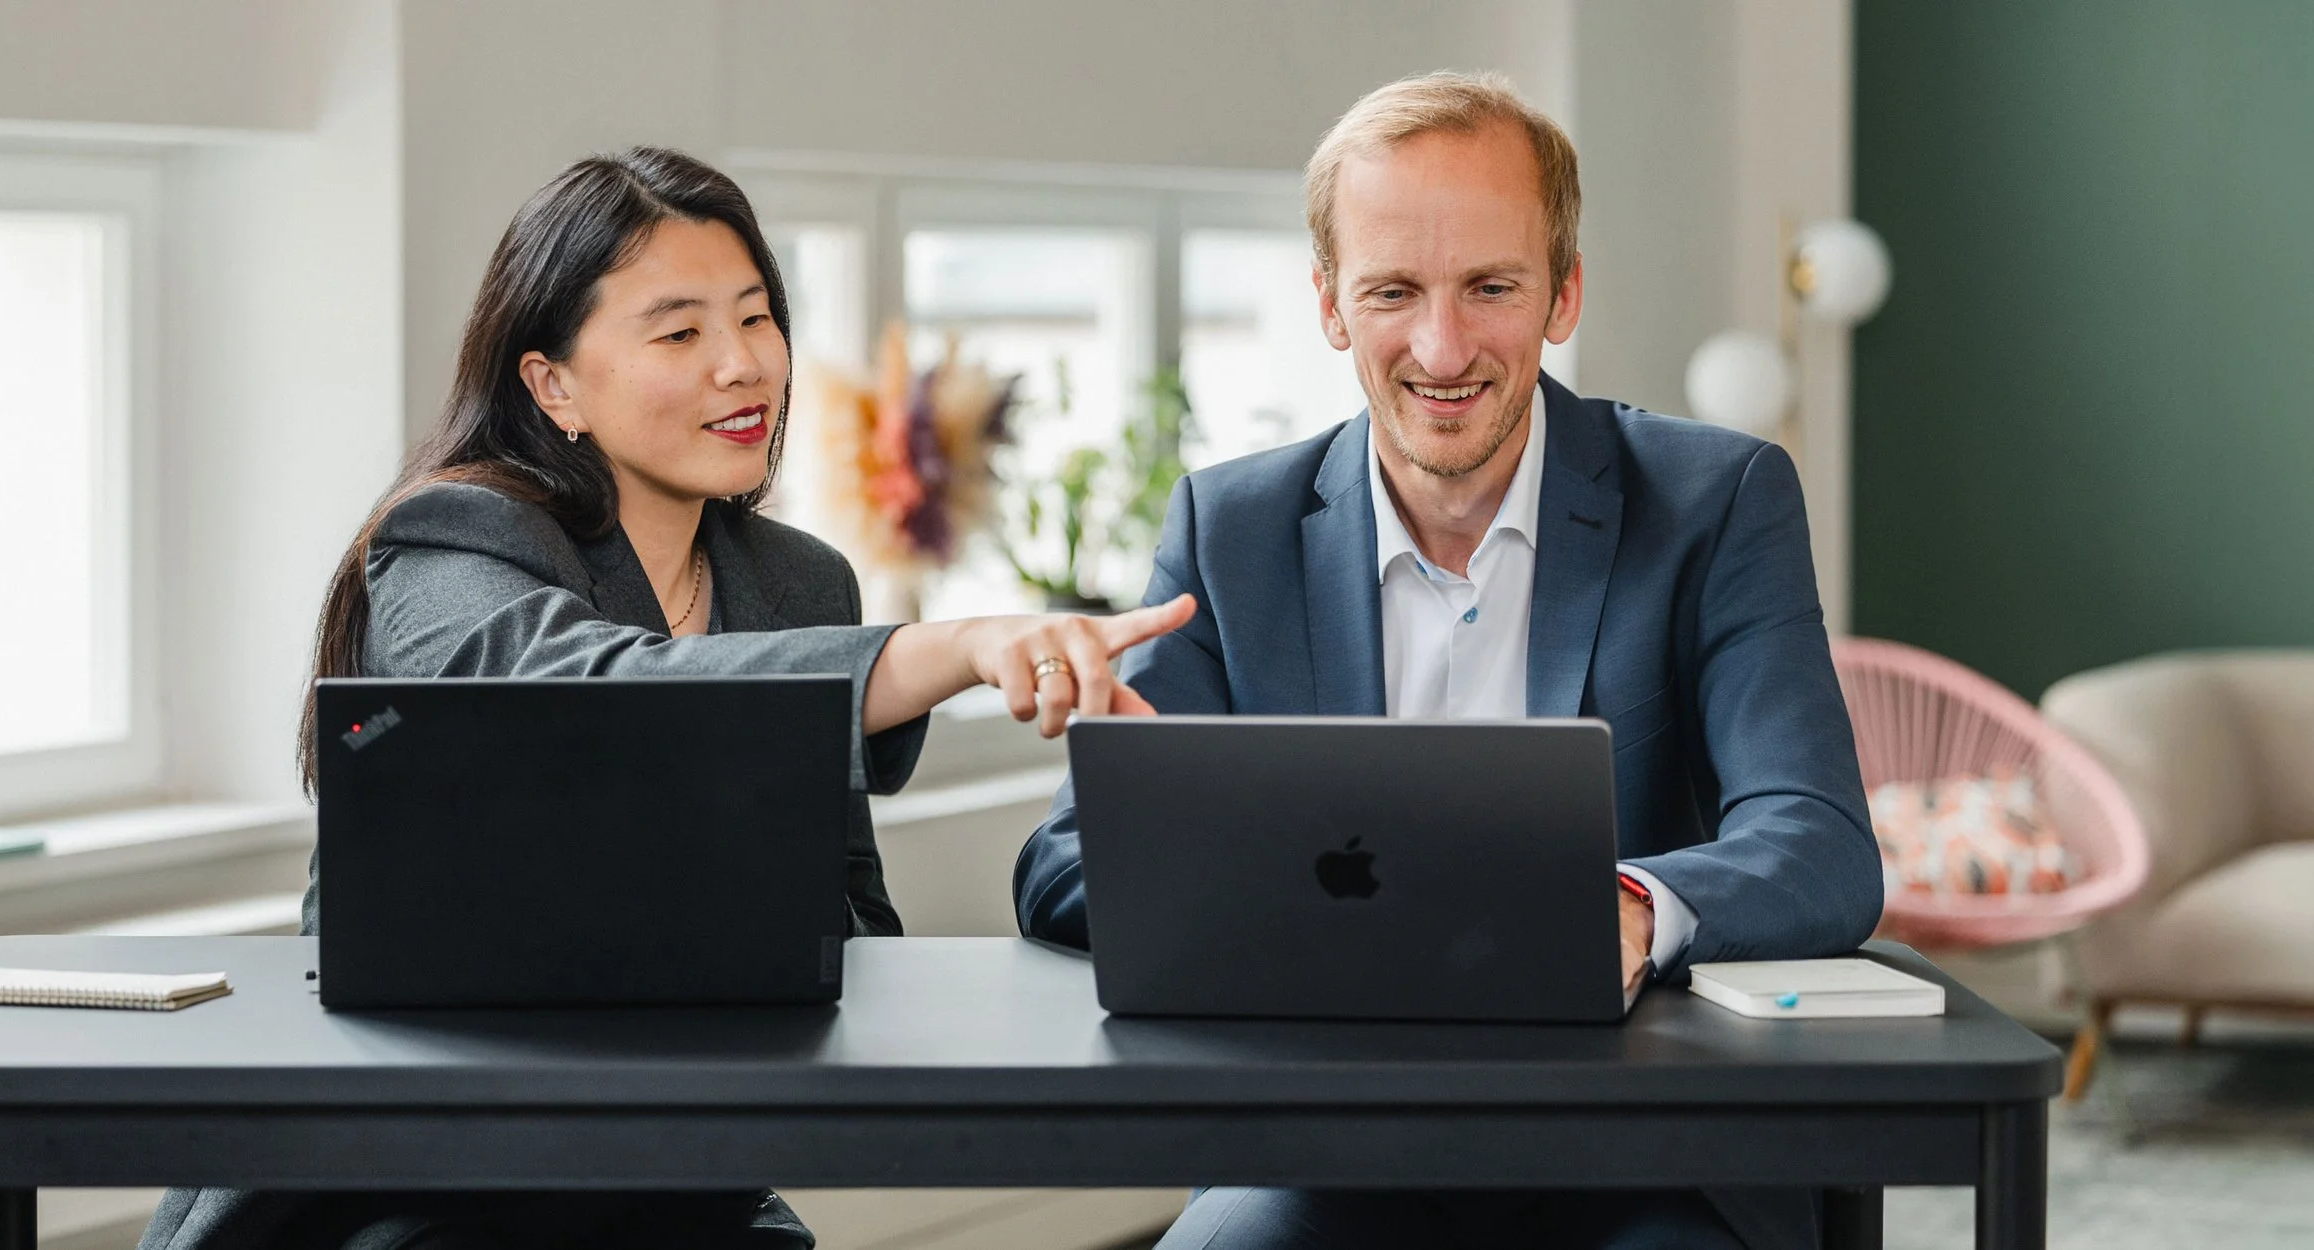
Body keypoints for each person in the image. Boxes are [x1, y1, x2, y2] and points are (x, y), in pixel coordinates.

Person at [140, 146, 1191, 1250]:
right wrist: (960, 643)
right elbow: (594, 699)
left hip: (669, 1174)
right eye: (680, 332)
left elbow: (852, 922)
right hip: (404, 1181)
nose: (742, 365)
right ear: (552, 385)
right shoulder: (452, 537)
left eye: (755, 317)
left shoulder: (797, 583)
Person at [1011, 72, 1880, 1250]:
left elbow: (1817, 843)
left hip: (1647, 1151)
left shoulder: (1716, 499)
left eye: (1490, 287)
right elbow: (1062, 864)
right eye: (1391, 292)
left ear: (1562, 292)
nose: (1442, 345)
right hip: (1329, 1155)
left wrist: (1623, 906)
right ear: (1328, 303)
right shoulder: (1230, 528)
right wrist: (1193, 848)